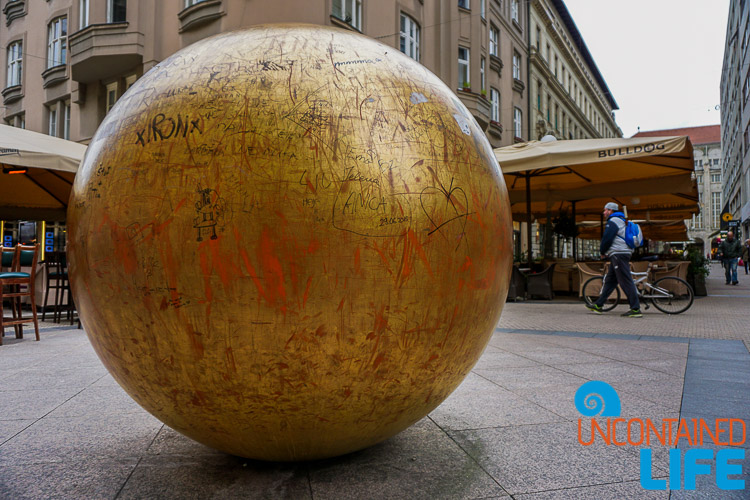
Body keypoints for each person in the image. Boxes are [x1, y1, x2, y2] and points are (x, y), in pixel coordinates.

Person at [586, 202, 642, 318]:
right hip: (620, 253)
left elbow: (607, 238)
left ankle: (635, 308)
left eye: (605, 210)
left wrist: (602, 251)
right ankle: (599, 305)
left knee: (625, 281)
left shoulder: (613, 221)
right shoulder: (621, 220)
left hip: (619, 254)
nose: (604, 212)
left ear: (610, 211)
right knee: (610, 281)